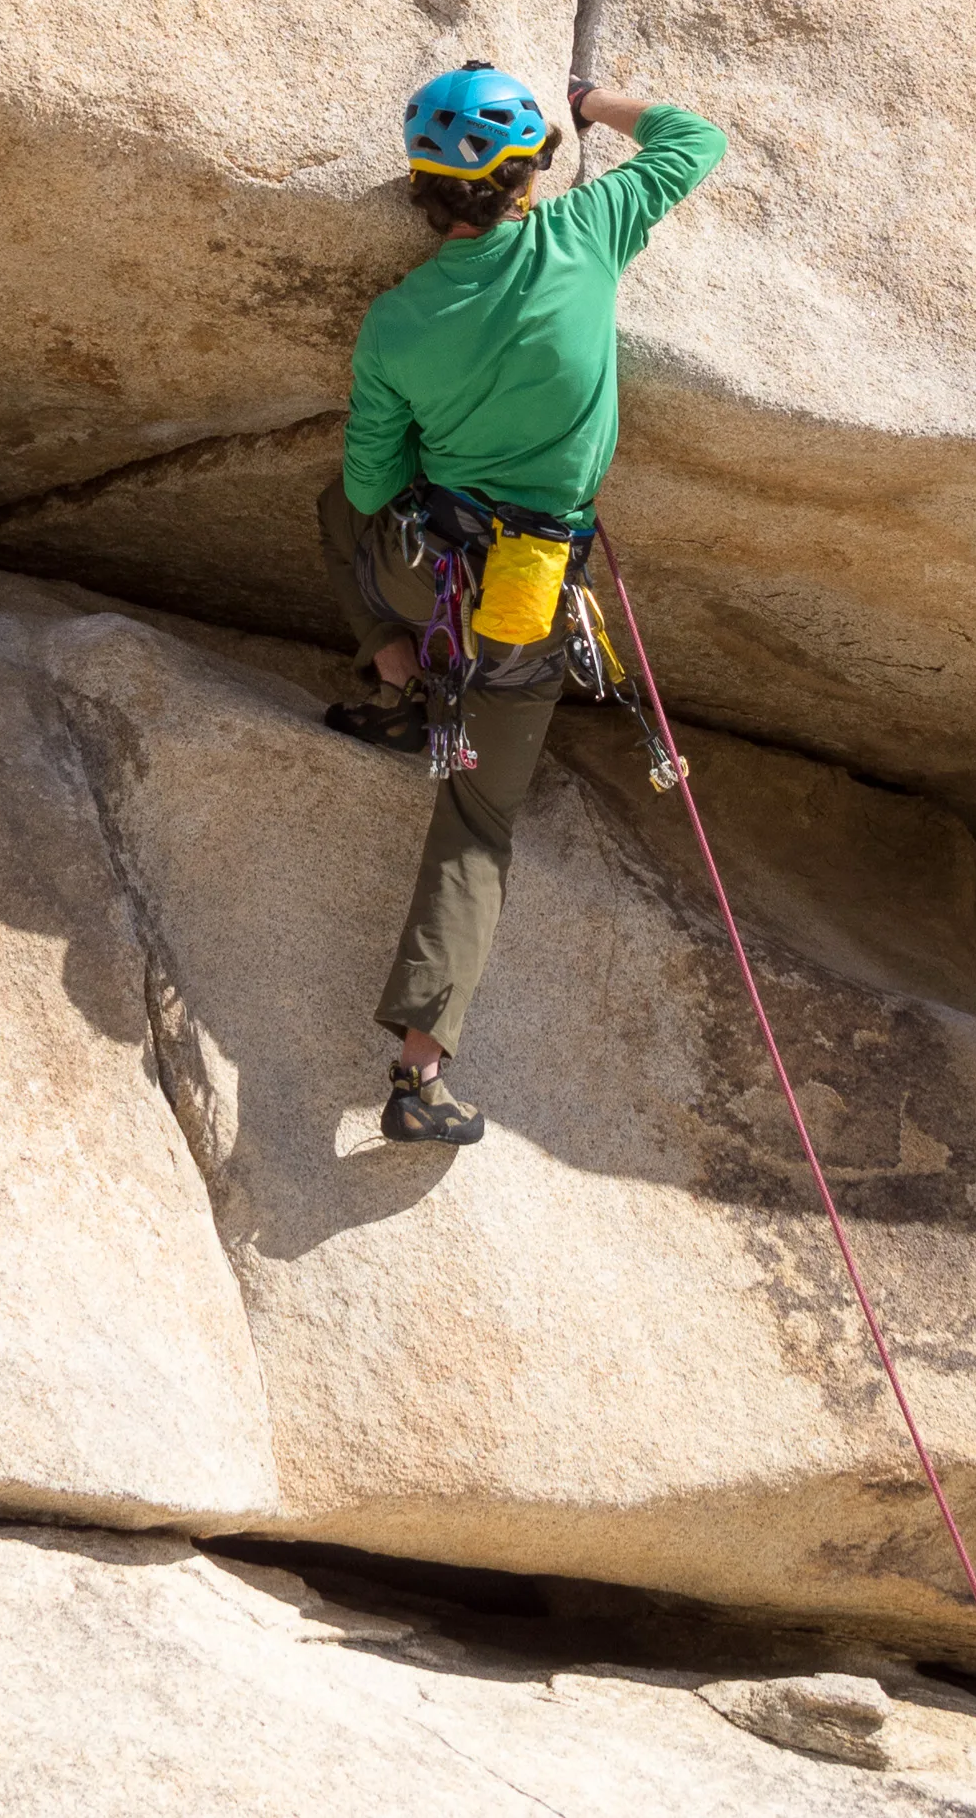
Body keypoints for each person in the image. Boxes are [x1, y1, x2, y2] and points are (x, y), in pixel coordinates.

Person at [318, 60, 726, 1148]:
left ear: (423, 189)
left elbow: (365, 489)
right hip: (524, 605)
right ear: (531, 169)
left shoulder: (399, 320)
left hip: (429, 574)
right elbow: (695, 140)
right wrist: (591, 106)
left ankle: (399, 675)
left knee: (334, 512)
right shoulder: (584, 233)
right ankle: (416, 1076)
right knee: (477, 819)